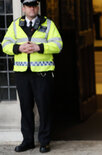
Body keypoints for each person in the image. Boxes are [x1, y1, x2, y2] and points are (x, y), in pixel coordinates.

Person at [1, 0, 62, 153]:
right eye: (28, 5)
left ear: (37, 7)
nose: (32, 8)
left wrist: (39, 47)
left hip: (42, 74)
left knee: (44, 108)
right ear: (23, 8)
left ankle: (44, 141)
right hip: (22, 74)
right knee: (25, 108)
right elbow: (5, 44)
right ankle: (27, 141)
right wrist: (18, 47)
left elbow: (58, 45)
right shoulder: (15, 25)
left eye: (34, 5)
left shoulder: (48, 24)